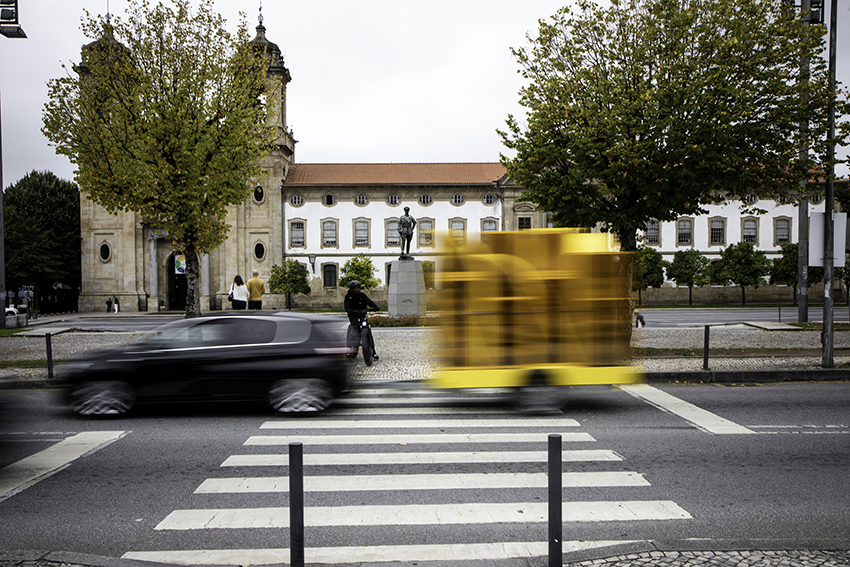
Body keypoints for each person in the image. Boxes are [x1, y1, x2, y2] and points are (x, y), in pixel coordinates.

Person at [344, 280, 379, 360]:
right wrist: (352, 311)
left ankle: (373, 351)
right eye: (356, 288)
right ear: (352, 289)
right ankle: (349, 350)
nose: (358, 289)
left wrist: (375, 307)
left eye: (358, 288)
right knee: (354, 330)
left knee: (368, 330)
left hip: (362, 314)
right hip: (353, 316)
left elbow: (368, 301)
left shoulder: (362, 295)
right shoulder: (348, 297)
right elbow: (347, 308)